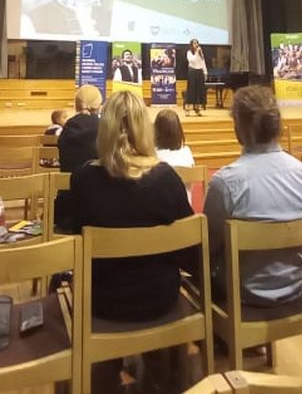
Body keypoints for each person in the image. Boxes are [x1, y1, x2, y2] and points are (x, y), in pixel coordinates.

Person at [66, 90, 194, 390]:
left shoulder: (83, 179)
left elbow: (76, 241)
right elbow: (189, 248)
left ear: (104, 128)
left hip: (101, 302)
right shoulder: (166, 178)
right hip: (160, 300)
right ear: (144, 128)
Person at [205, 86, 302, 306]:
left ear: (238, 128)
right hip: (295, 287)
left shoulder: (226, 182)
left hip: (239, 293)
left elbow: (209, 248)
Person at [53, 85, 103, 231]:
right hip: (98, 210)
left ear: (76, 105)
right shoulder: (105, 129)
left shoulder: (65, 131)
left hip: (67, 210)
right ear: (98, 106)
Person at [185, 38, 207, 116]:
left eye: (197, 43)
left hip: (199, 72)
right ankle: (187, 109)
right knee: (191, 90)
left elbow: (203, 62)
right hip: (192, 72)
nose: (196, 45)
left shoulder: (200, 52)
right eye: (194, 43)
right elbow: (192, 61)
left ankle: (197, 109)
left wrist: (205, 73)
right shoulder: (189, 52)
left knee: (199, 91)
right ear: (191, 45)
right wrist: (197, 53)